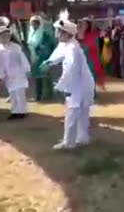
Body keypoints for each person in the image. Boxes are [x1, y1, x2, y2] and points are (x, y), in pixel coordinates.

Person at [42, 9, 95, 150]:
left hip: (78, 85)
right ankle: (82, 138)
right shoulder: (66, 44)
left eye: (59, 32)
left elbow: (70, 70)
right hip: (81, 84)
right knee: (82, 113)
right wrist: (49, 62)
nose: (56, 34)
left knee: (73, 114)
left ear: (67, 34)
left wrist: (61, 86)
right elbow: (57, 54)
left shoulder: (72, 48)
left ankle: (69, 142)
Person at [0, 26, 31, 120]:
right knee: (12, 93)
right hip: (8, 75)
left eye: (6, 36)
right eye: (2, 37)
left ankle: (22, 111)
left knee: (20, 93)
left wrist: (27, 69)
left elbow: (23, 58)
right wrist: (1, 75)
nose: (5, 38)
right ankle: (15, 111)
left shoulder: (15, 47)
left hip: (19, 73)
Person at [27, 15, 56, 101]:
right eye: (32, 24)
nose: (34, 26)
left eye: (36, 24)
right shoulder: (31, 34)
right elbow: (30, 46)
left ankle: (50, 95)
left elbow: (52, 46)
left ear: (40, 24)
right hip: (34, 59)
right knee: (37, 78)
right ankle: (38, 96)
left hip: (44, 59)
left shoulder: (45, 35)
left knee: (46, 77)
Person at [78, 18, 106, 88]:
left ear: (88, 26)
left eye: (86, 24)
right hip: (81, 59)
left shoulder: (93, 35)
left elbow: (94, 47)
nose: (84, 26)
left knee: (91, 77)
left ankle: (91, 93)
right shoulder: (78, 34)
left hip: (91, 60)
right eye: (83, 24)